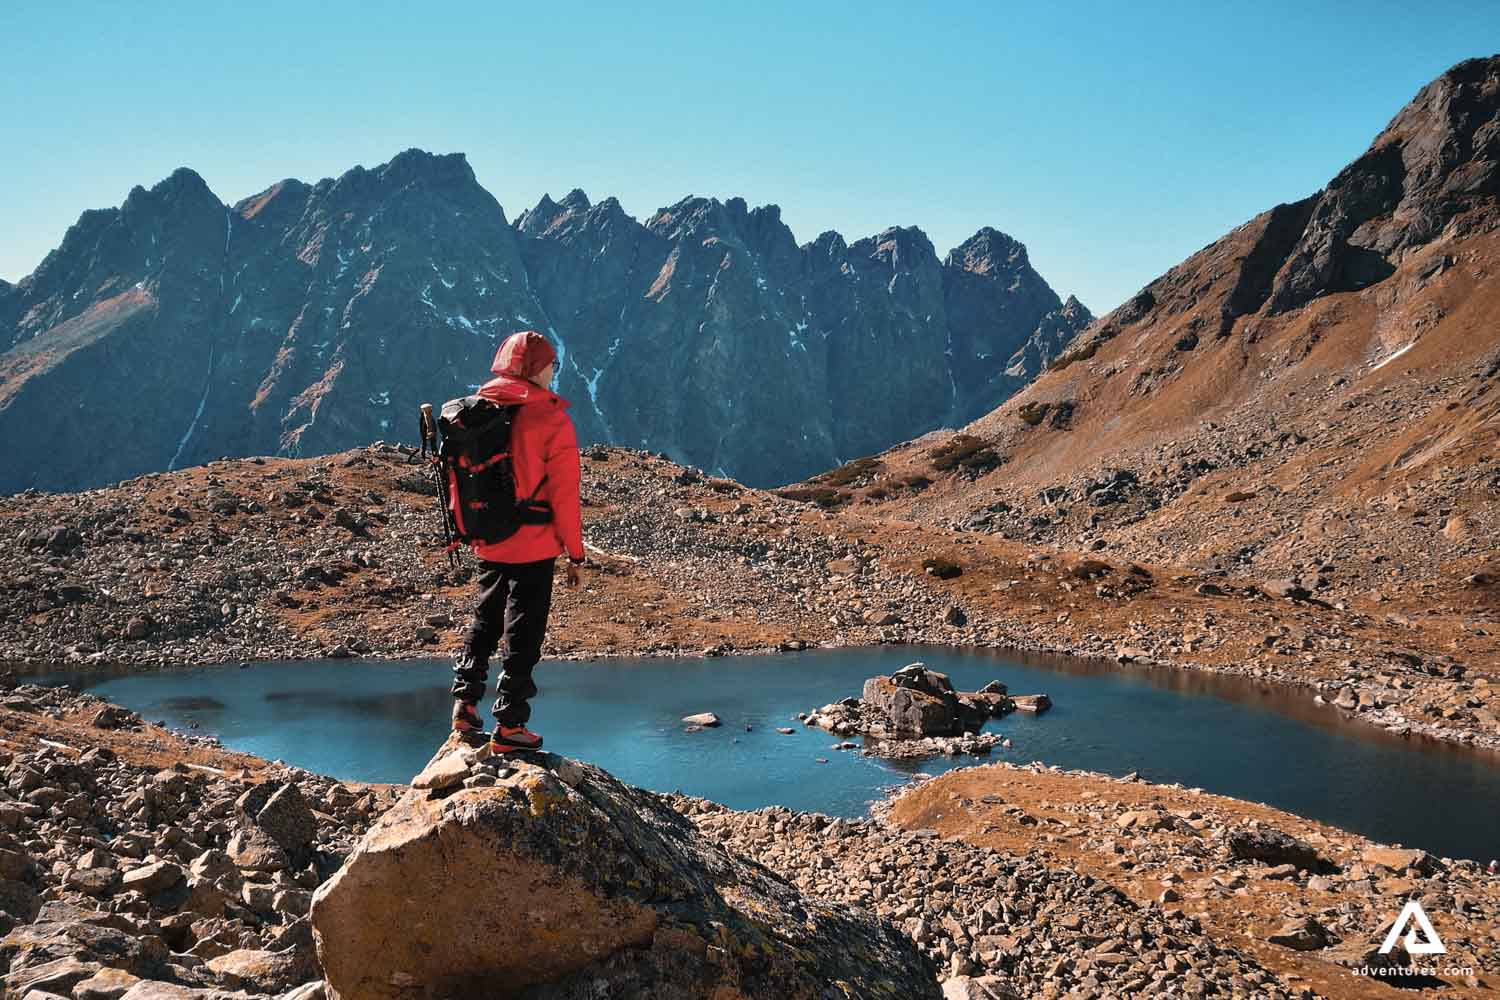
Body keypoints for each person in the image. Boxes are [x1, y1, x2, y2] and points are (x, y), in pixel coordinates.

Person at [450, 330, 584, 752]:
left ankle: (465, 704)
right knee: (524, 631)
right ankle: (510, 724)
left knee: (485, 618)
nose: (553, 372)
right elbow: (564, 494)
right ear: (534, 369)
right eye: (550, 365)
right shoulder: (550, 419)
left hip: (489, 536)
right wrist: (575, 554)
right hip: (535, 543)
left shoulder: (480, 409)